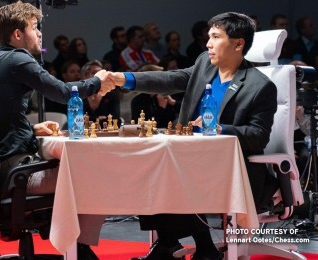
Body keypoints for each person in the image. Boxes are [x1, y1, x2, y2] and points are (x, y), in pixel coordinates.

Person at [105, 12, 278, 260]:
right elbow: (169, 79)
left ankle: (186, 245)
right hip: (187, 157)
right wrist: (124, 79)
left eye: (216, 37)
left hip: (231, 168)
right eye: (209, 37)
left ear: (238, 44)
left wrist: (221, 129)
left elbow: (258, 136)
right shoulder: (204, 64)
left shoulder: (259, 86)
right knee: (149, 164)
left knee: (172, 171)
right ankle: (174, 243)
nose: (208, 43)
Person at [0, 2, 112, 259]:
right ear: (17, 34)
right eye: (34, 27)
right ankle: (79, 249)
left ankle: (74, 243)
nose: (40, 33)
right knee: (95, 172)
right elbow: (62, 93)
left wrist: (30, 127)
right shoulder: (18, 59)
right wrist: (97, 82)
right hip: (14, 172)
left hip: (0, 167)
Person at [81, 60, 120, 126]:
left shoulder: (111, 95)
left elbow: (115, 118)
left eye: (100, 73)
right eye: (94, 73)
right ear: (85, 76)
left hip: (107, 132)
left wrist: (90, 119)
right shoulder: (79, 96)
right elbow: (76, 119)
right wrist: (100, 119)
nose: (99, 76)